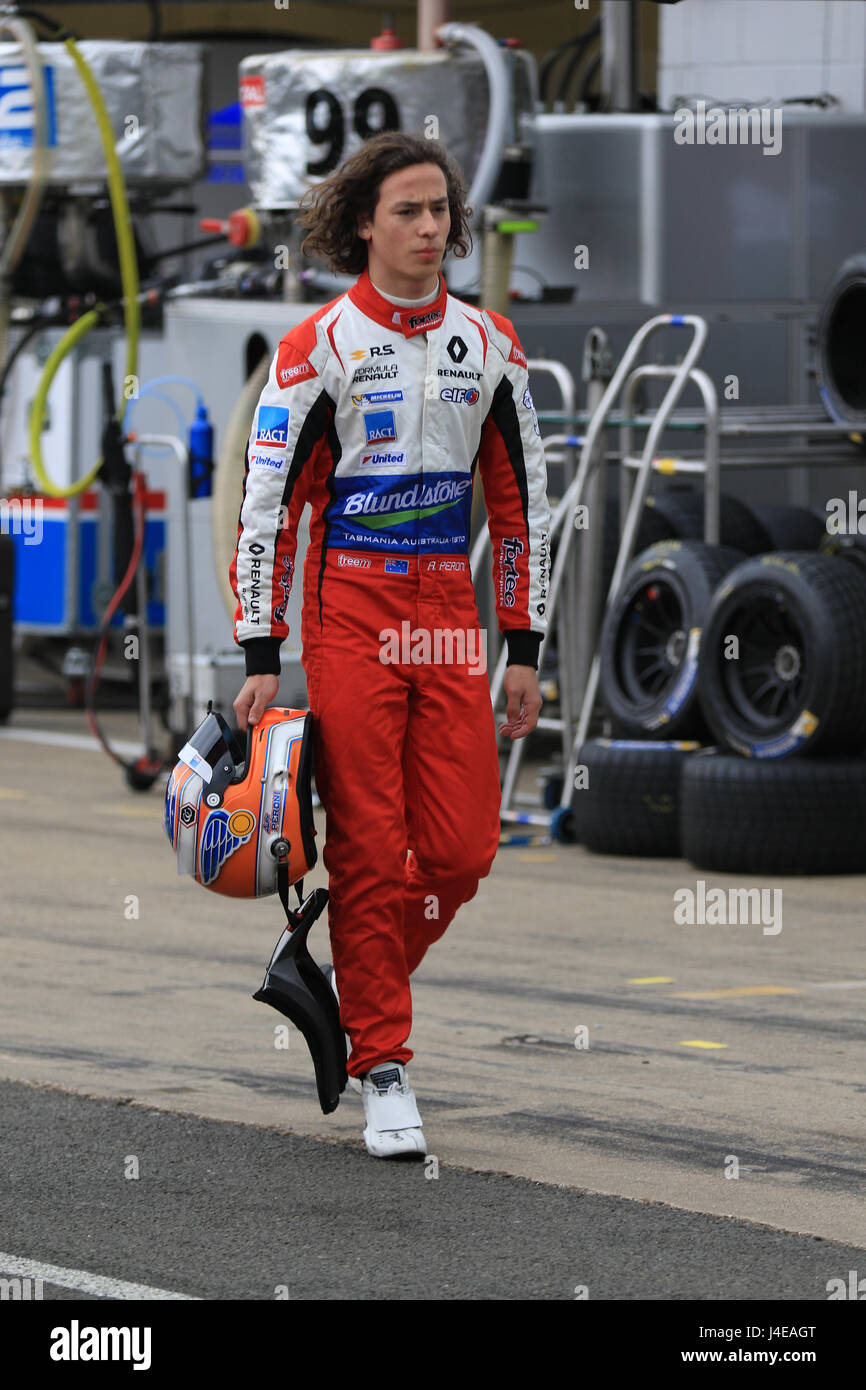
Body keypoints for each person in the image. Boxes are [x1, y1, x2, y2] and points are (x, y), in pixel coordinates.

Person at [231, 130, 550, 1159]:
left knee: (460, 848)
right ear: (363, 222)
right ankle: (382, 1064)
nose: (428, 228)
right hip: (349, 613)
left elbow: (520, 505)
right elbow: (267, 504)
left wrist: (522, 648)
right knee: (369, 844)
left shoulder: (491, 345)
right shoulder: (315, 348)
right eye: (407, 211)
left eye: (440, 211)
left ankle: (334, 981)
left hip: (449, 620)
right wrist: (258, 647)